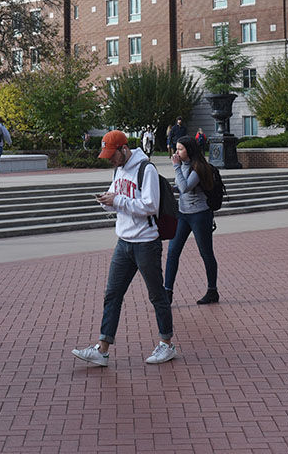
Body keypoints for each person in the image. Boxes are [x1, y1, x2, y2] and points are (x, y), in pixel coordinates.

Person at [71, 130, 176, 367]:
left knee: (156, 294)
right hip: (124, 242)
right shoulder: (118, 169)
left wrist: (117, 201)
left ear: (124, 149)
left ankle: (167, 344)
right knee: (112, 294)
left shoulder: (145, 169)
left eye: (112, 154)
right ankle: (102, 348)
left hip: (146, 243)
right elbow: (119, 201)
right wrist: (108, 201)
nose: (110, 159)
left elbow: (150, 205)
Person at [164, 135, 219, 305]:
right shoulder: (184, 166)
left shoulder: (199, 168)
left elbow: (186, 187)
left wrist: (175, 168)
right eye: (176, 148)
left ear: (190, 150)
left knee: (206, 253)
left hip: (200, 215)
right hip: (183, 214)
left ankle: (212, 291)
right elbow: (180, 187)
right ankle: (167, 292)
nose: (177, 152)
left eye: (180, 149)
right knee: (173, 251)